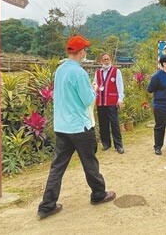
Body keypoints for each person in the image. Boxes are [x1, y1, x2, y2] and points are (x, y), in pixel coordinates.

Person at [37, 35, 115, 220]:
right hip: (79, 126)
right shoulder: (78, 72)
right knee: (89, 162)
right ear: (80, 52)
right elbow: (87, 99)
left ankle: (47, 205)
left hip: (62, 126)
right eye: (85, 49)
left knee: (57, 166)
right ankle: (98, 194)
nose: (85, 52)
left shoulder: (60, 70)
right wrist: (94, 89)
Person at [93, 53, 125, 154]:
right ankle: (106, 143)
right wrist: (94, 89)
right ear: (101, 61)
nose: (106, 61)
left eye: (108, 59)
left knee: (114, 123)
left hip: (112, 101)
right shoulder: (97, 72)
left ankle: (118, 145)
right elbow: (94, 84)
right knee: (103, 124)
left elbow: (120, 86)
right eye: (104, 59)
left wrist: (120, 99)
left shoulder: (116, 71)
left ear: (110, 60)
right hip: (101, 101)